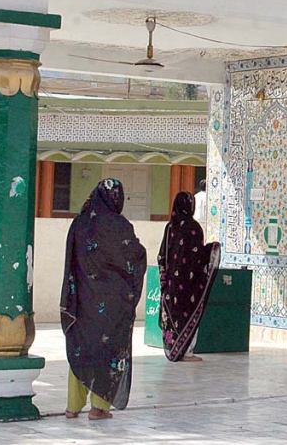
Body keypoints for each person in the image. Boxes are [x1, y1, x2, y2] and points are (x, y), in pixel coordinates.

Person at [60, 178, 147, 420]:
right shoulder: (119, 225)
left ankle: (72, 407)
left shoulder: (79, 223)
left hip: (83, 302)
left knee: (81, 348)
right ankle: (98, 408)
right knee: (107, 351)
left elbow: (71, 263)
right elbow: (135, 255)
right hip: (112, 304)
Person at [158, 190, 221, 362]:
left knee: (173, 313)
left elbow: (162, 255)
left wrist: (165, 277)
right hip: (188, 283)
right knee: (189, 312)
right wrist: (212, 249)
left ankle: (173, 349)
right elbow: (198, 256)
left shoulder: (170, 227)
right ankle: (186, 352)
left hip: (171, 283)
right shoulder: (193, 228)